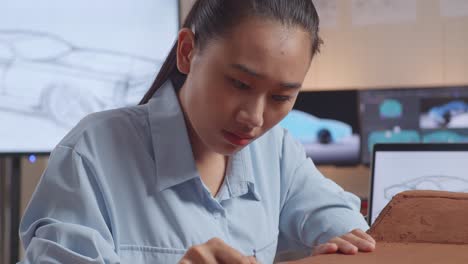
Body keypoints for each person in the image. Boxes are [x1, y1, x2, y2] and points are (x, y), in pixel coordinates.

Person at [18, 0, 375, 263]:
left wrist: (341, 249)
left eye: (281, 96)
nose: (253, 118)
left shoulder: (277, 151)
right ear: (187, 52)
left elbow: (349, 230)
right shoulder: (90, 153)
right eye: (238, 83)